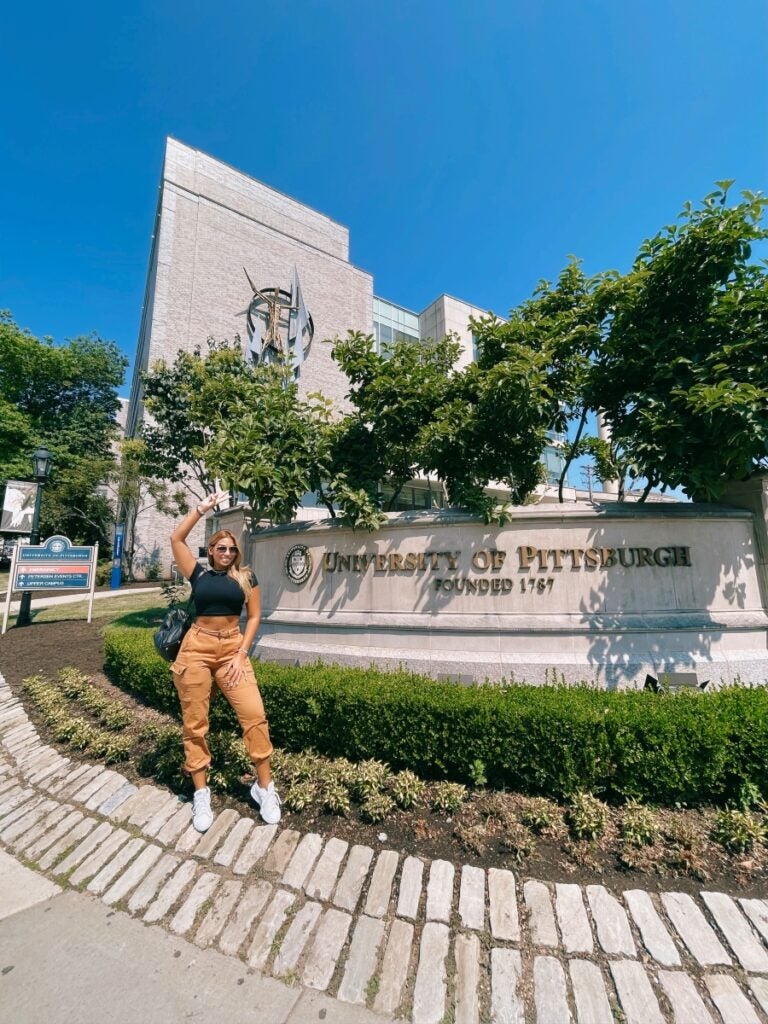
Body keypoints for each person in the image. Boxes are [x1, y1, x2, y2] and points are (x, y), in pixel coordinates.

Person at [170, 490, 280, 832]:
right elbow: (176, 538)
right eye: (221, 548)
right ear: (211, 551)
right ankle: (201, 793)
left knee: (254, 715)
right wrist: (201, 510)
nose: (227, 553)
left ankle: (264, 787)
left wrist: (242, 652)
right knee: (195, 722)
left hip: (232, 648)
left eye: (232, 549)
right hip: (196, 648)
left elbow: (256, 616)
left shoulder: (246, 577)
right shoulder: (198, 575)